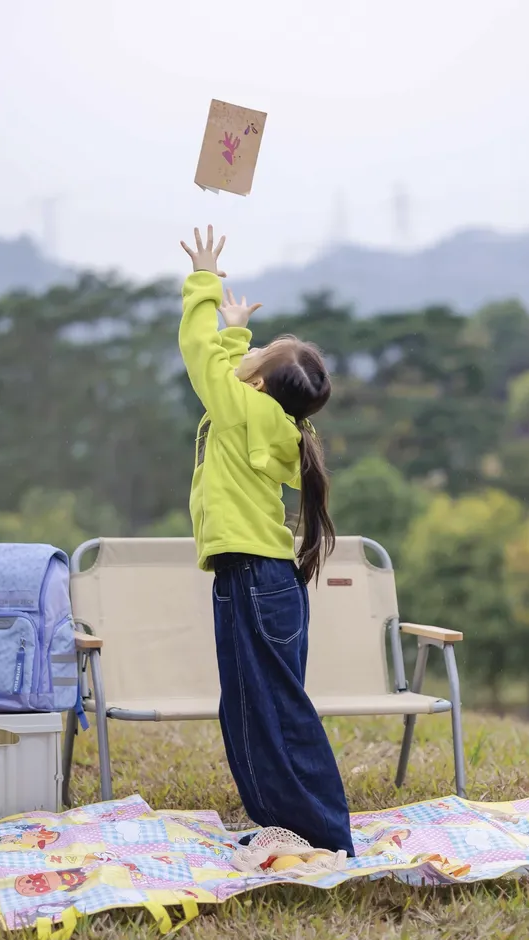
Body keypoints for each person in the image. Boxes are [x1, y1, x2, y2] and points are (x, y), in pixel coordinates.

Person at [178, 225, 354, 856]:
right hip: (259, 581)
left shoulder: (240, 408)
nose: (243, 361)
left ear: (254, 383)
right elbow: (224, 362)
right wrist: (238, 331)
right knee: (254, 710)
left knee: (272, 712)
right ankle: (288, 828)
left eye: (254, 359)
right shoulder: (273, 420)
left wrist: (205, 282)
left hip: (254, 580)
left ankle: (327, 834)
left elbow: (200, 354)